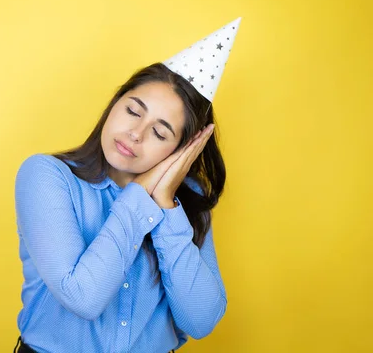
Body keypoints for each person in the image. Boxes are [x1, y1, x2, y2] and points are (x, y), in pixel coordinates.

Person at [13, 18, 241, 353]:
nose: (136, 133)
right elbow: (83, 297)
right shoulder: (46, 176)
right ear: (114, 105)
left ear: (181, 151)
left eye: (160, 132)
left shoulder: (184, 201)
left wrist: (165, 204)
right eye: (133, 111)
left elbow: (201, 320)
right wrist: (140, 197)